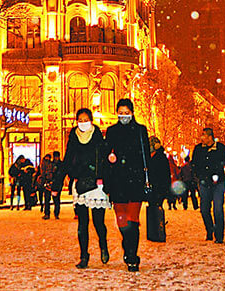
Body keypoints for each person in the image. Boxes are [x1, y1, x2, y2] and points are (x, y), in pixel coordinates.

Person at [54, 107, 110, 269]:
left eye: (86, 120)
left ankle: (103, 246)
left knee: (98, 222)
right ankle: (84, 256)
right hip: (79, 184)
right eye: (80, 120)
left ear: (91, 121)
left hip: (96, 185)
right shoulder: (73, 137)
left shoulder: (98, 136)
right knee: (82, 223)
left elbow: (105, 160)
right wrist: (58, 183)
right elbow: (67, 160)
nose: (83, 123)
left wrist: (105, 180)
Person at [105, 98, 151, 272]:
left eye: (127, 112)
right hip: (117, 182)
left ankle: (132, 256)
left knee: (133, 219)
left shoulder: (140, 131)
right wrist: (110, 159)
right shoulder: (111, 131)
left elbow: (146, 156)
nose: (124, 116)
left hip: (135, 181)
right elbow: (106, 155)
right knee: (122, 221)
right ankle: (128, 246)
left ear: (132, 113)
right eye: (121, 112)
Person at [191, 127, 225, 244]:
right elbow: (194, 165)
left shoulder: (221, 149)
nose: (202, 138)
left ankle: (219, 235)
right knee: (204, 210)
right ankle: (210, 229)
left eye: (204, 136)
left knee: (218, 209)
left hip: (218, 183)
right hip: (204, 183)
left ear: (210, 137)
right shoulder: (198, 149)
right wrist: (197, 177)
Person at [37, 153, 55, 220]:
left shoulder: (45, 165)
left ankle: (47, 212)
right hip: (45, 182)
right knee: (47, 199)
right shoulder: (49, 165)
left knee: (47, 199)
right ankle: (47, 212)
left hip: (46, 183)